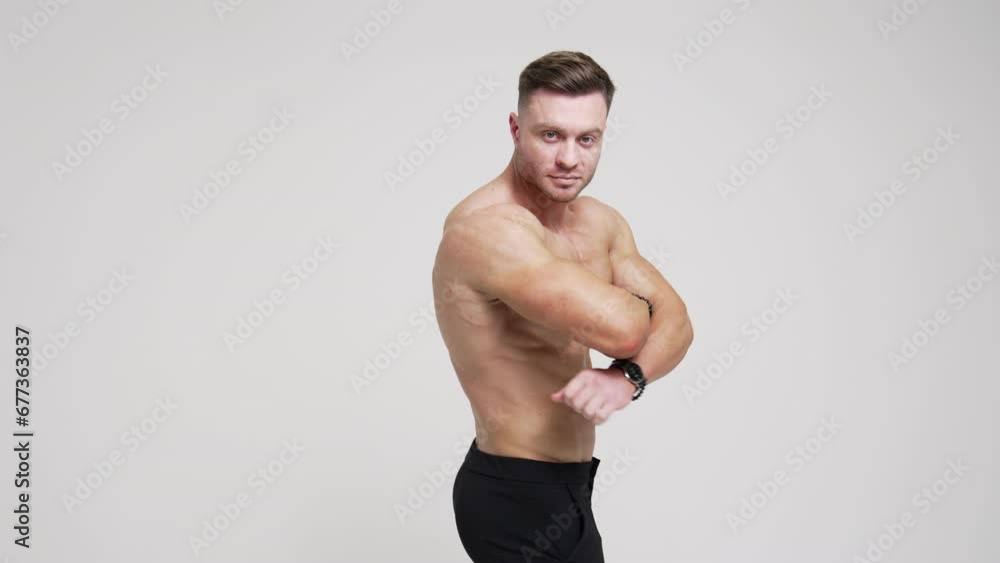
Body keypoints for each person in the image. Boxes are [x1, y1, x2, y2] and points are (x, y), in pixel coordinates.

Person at [433, 50, 694, 562]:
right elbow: (622, 330)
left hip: (568, 487)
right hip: (514, 492)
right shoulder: (487, 230)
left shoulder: (599, 221)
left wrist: (628, 376)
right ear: (516, 129)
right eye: (550, 135)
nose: (570, 159)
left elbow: (679, 324)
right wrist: (643, 311)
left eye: (586, 139)